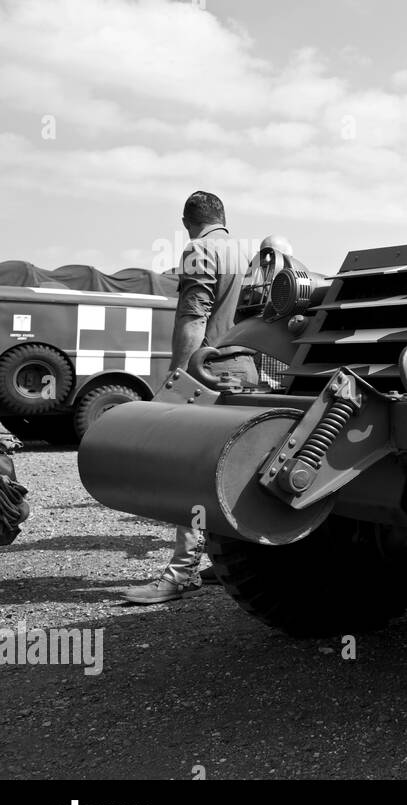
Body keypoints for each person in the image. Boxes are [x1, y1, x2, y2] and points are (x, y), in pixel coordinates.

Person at [122, 191, 258, 605]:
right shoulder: (247, 254)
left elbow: (192, 315)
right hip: (244, 370)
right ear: (223, 217)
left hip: (207, 369)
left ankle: (180, 574)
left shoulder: (199, 249)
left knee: (188, 469)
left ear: (186, 221)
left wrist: (178, 376)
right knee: (232, 466)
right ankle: (223, 563)